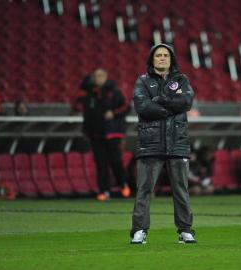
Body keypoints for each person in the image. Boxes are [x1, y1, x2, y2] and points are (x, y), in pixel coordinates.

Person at [130, 43, 196, 244]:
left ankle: (185, 230)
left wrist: (158, 101)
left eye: (165, 55)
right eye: (158, 55)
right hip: (150, 144)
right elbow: (142, 107)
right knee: (144, 189)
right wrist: (170, 106)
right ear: (152, 59)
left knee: (181, 190)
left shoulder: (182, 80)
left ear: (171, 58)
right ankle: (139, 230)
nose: (162, 58)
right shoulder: (142, 81)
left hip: (177, 142)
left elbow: (186, 102)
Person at [75, 68, 131, 201]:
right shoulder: (88, 93)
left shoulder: (115, 91)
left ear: (106, 77)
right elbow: (77, 104)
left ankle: (123, 184)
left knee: (116, 161)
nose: (98, 78)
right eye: (96, 76)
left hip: (113, 132)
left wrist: (114, 113)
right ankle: (104, 191)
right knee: (101, 163)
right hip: (95, 133)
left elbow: (126, 107)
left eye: (101, 76)